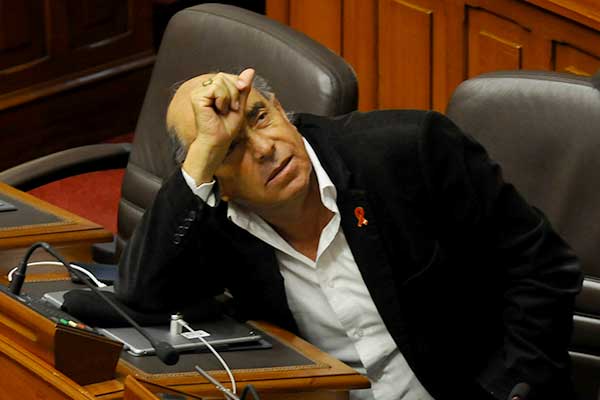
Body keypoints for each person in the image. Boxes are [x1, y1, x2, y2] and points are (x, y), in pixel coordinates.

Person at [116, 68, 582, 400]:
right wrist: (201, 156)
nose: (264, 149)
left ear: (281, 110)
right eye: (229, 148)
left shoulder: (410, 150)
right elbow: (141, 295)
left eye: (259, 117)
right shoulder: (221, 219)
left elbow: (542, 268)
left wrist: (510, 391)